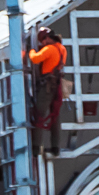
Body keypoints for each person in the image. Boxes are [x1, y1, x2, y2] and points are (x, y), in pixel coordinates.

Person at [25, 25, 69, 156]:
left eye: (43, 40)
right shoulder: (62, 49)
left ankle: (35, 147)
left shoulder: (49, 49)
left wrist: (31, 50)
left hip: (47, 87)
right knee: (55, 115)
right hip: (57, 85)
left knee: (39, 114)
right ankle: (56, 147)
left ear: (47, 38)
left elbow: (35, 59)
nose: (42, 43)